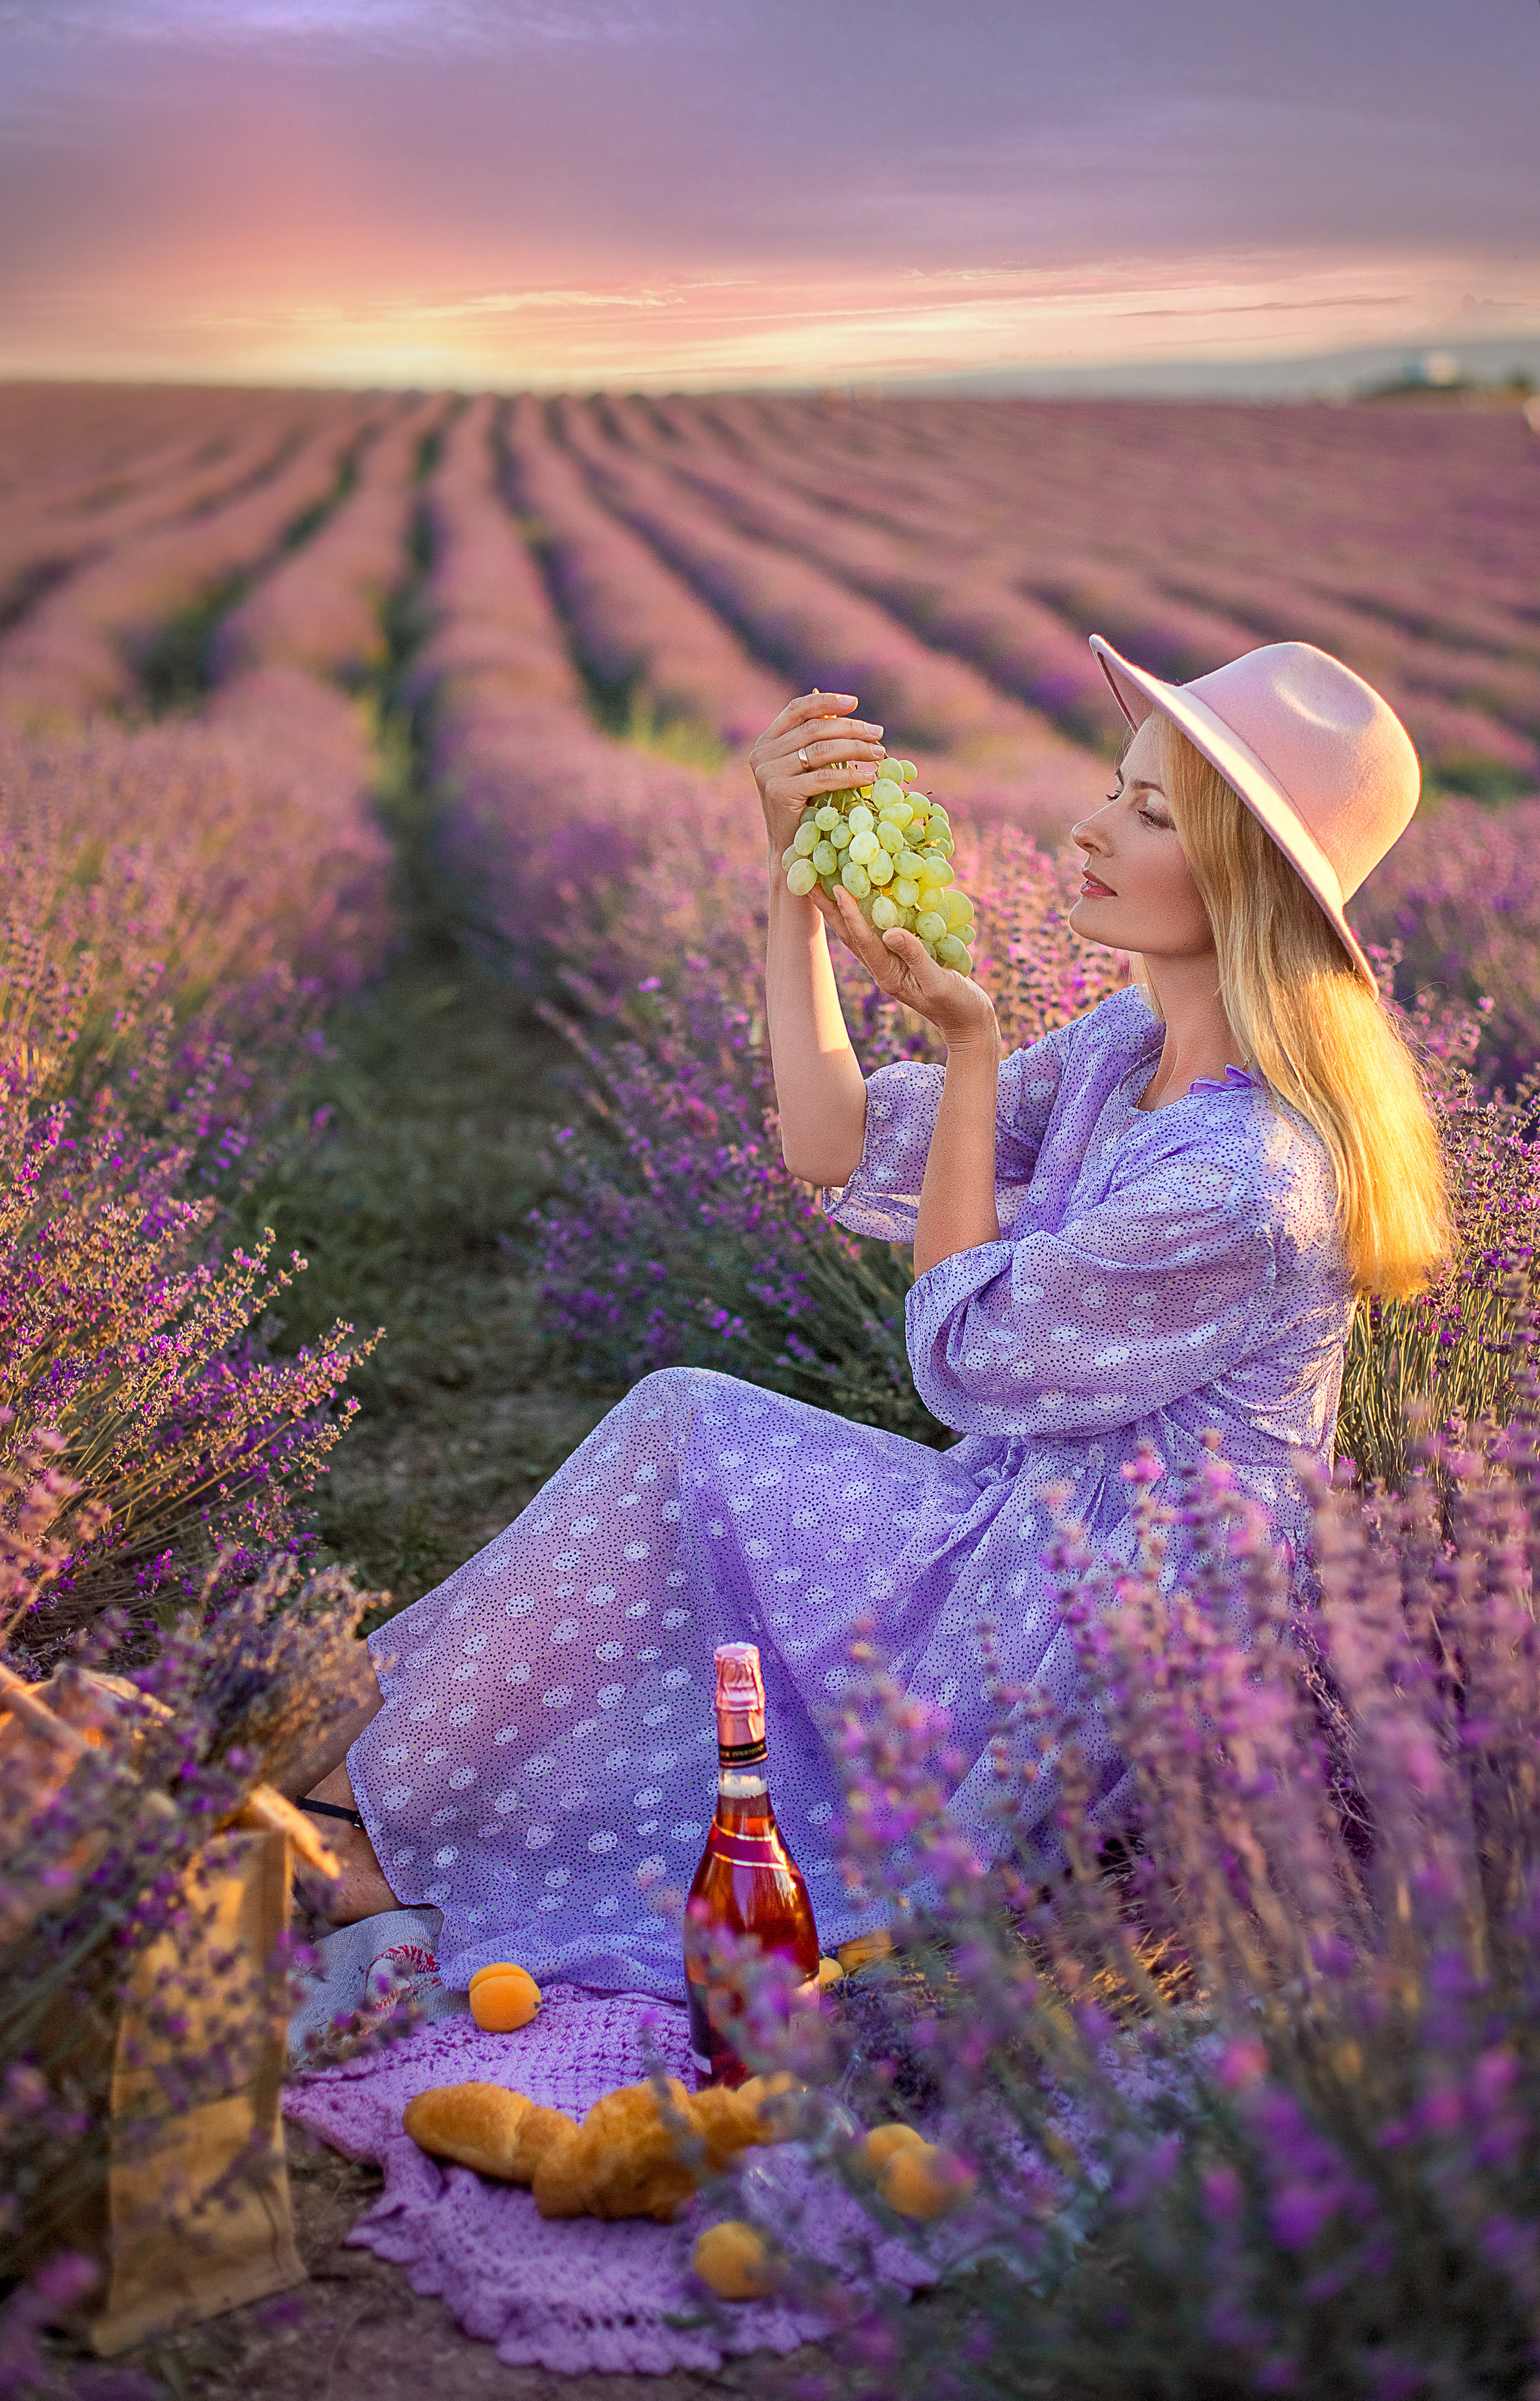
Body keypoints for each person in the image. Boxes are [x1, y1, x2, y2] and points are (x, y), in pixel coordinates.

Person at [293, 636, 1450, 1996]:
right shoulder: (1125, 1049)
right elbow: (830, 1137)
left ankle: (349, 1802)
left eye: (1148, 814)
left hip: (1109, 1646)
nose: (1089, 829)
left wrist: (967, 1046)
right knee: (685, 1431)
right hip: (1019, 1535)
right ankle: (359, 1785)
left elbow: (961, 1353)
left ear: (1243, 877)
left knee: (691, 1446)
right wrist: (792, 890)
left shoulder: (1244, 1182)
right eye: (1113, 787)